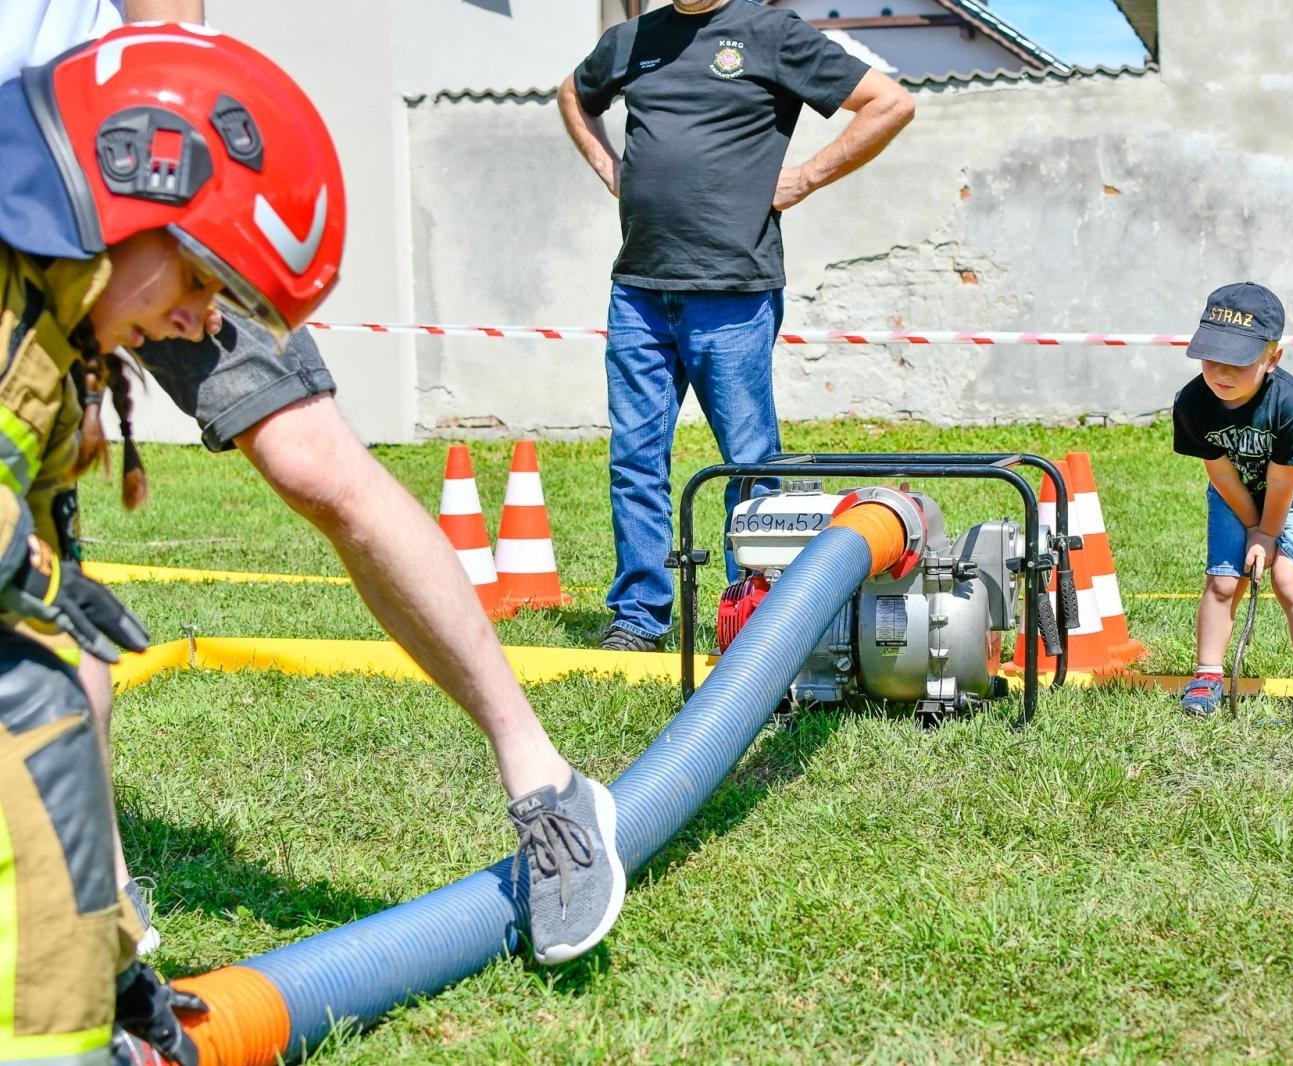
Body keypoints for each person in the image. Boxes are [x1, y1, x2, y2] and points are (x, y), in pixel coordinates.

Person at [7, 0, 626, 969]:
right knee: (44, 593)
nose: (212, 322)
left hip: (147, 171)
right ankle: (101, 924)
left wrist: (191, 119)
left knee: (316, 464)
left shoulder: (173, 221)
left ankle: (543, 778)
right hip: (38, 214)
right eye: (211, 307)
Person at [558, 0, 915, 652]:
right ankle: (639, 618)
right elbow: (573, 95)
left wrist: (806, 176)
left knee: (750, 468)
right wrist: (612, 169)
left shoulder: (770, 33)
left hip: (734, 294)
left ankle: (755, 622)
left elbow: (890, 103)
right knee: (635, 461)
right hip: (638, 289)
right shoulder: (634, 38)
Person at [1170, 282, 1293, 725]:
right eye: (1211, 358)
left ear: (1272, 358)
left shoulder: (1291, 401)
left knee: (1288, 577)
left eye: (1238, 363)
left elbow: (1284, 480)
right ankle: (1207, 676)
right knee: (1224, 582)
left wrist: (1266, 534)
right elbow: (1220, 471)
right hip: (1233, 492)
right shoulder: (1192, 402)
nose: (1221, 374)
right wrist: (1249, 525)